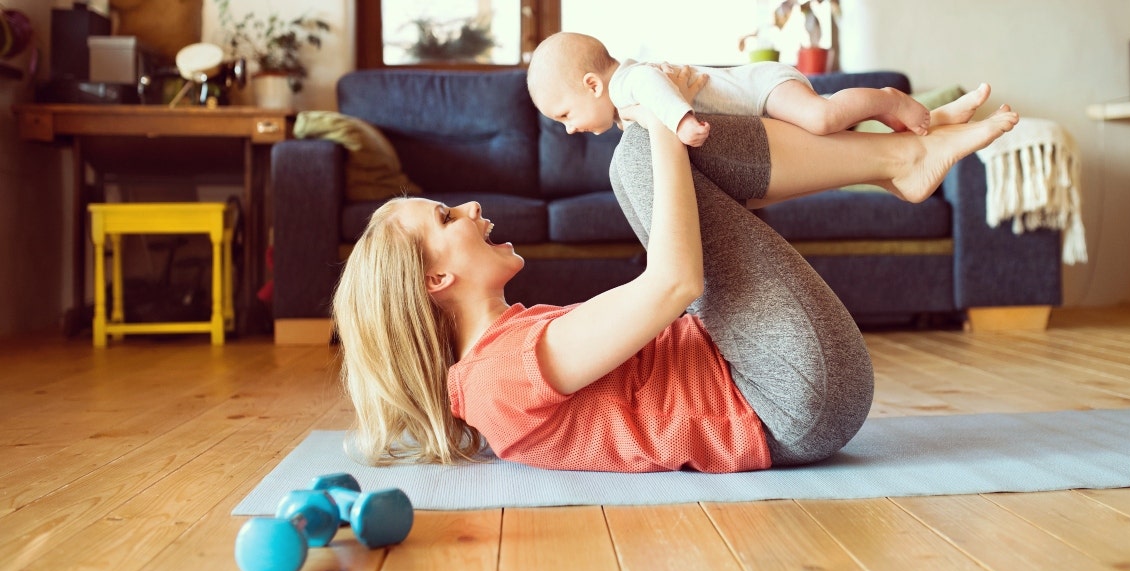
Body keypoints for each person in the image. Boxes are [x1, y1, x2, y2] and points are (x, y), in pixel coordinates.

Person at [333, 64, 1019, 472]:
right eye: (447, 219)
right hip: (787, 397)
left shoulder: (502, 356)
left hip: (785, 382)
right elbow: (675, 284)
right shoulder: (494, 378)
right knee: (639, 152)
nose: (471, 205)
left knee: (661, 148)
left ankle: (899, 159)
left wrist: (670, 119)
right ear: (435, 282)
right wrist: (661, 117)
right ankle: (898, 160)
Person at [526, 32, 982, 149]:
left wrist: (681, 121)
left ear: (593, 84)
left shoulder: (628, 82)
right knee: (826, 139)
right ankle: (908, 120)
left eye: (565, 115)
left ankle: (888, 98)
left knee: (821, 118)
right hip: (758, 105)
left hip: (761, 89)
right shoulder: (622, 110)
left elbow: (651, 82)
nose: (568, 130)